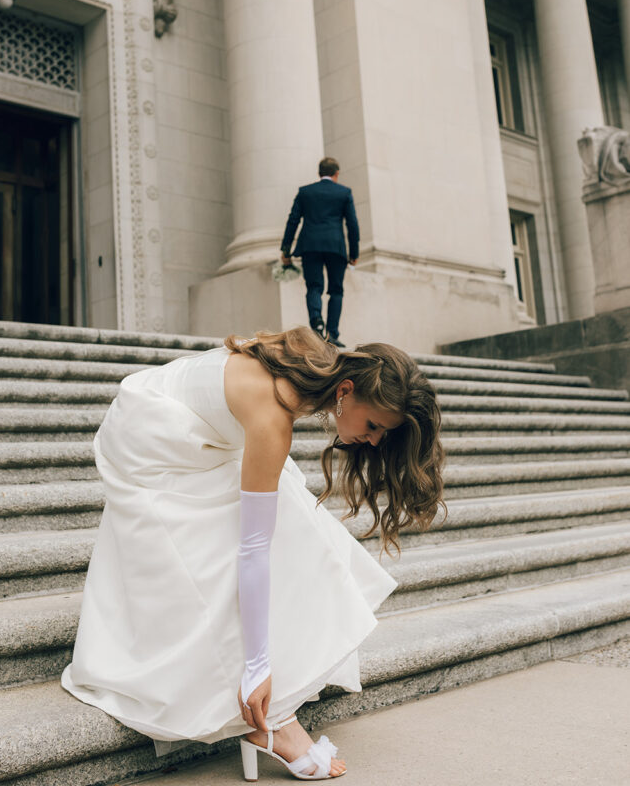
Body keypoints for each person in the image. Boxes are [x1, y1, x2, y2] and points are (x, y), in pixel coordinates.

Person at [62, 327, 444, 781]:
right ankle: (275, 721)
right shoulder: (271, 418)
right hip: (152, 443)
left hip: (179, 419)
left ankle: (275, 711)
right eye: (375, 426)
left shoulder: (314, 360)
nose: (376, 442)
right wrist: (258, 668)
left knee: (291, 513)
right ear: (345, 392)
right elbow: (253, 549)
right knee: (256, 538)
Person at [281, 157, 360, 347]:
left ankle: (316, 324)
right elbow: (352, 224)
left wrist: (286, 250)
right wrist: (354, 253)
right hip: (335, 246)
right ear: (336, 174)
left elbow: (293, 221)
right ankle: (332, 334)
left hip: (310, 246)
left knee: (313, 287)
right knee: (336, 290)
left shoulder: (305, 192)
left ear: (319, 173)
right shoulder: (344, 193)